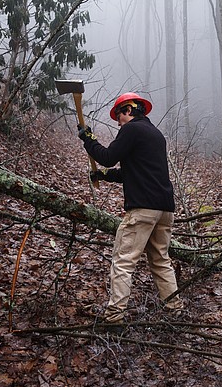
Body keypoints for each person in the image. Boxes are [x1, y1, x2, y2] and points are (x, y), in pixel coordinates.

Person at [77, 92, 184, 323]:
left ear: (128, 109)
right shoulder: (156, 135)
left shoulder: (132, 129)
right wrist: (103, 176)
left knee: (123, 261)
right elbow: (131, 171)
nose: (118, 122)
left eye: (119, 116)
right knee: (161, 260)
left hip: (143, 209)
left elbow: (107, 156)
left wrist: (88, 140)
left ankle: (114, 318)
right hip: (165, 210)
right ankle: (175, 311)